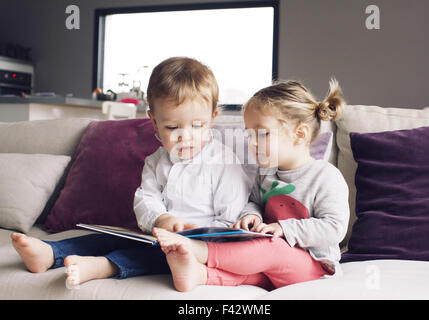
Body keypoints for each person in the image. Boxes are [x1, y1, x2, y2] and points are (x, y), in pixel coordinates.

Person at [10, 57, 252, 287]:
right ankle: (52, 253)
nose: (184, 135)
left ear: (212, 118)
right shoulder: (156, 160)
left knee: (158, 257)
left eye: (197, 126)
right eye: (172, 127)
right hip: (156, 234)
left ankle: (103, 267)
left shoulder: (223, 162)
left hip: (196, 246)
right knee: (108, 239)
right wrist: (161, 219)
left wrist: (195, 236)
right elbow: (145, 197)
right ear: (154, 121)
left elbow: (230, 220)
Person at [152, 78, 350, 292]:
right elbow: (255, 201)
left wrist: (284, 228)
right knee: (250, 268)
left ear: (300, 134)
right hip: (272, 265)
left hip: (314, 268)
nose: (252, 142)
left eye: (262, 133)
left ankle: (200, 251)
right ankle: (199, 275)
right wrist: (251, 215)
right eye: (249, 134)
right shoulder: (266, 172)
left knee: (271, 249)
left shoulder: (326, 176)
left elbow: (334, 228)